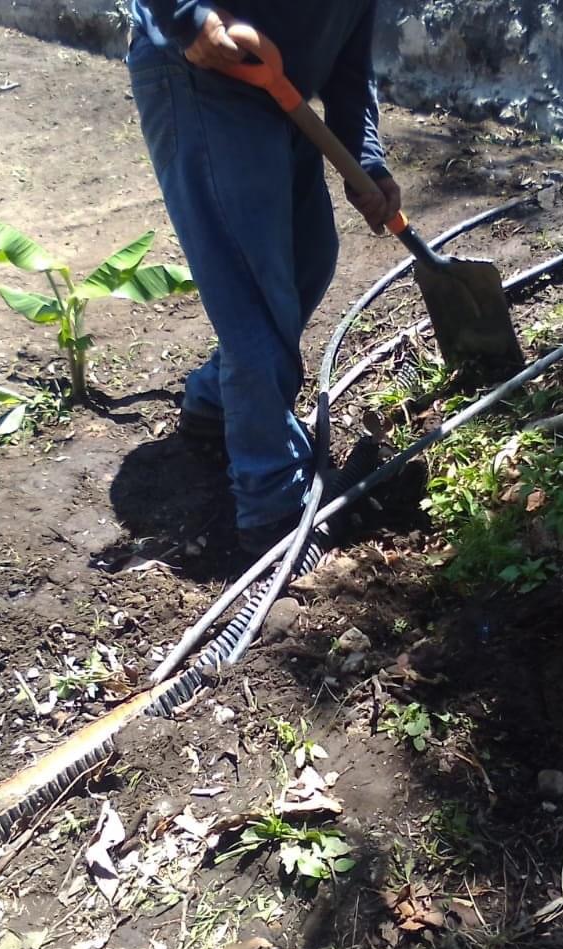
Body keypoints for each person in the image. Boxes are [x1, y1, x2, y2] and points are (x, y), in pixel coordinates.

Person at [125, 1, 402, 554]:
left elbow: (347, 53)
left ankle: (215, 403)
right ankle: (272, 504)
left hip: (278, 86)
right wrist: (186, 16)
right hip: (201, 74)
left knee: (310, 256)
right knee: (254, 291)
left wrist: (366, 161)